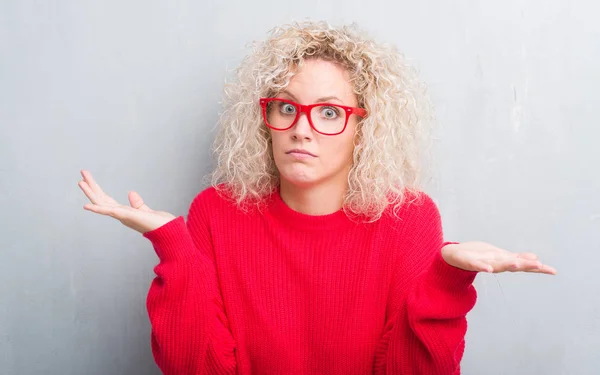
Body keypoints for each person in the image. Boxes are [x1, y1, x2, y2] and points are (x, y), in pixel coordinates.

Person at [78, 20, 556, 375]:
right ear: (264, 119)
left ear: (363, 128)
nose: (302, 129)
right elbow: (195, 368)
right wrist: (174, 245)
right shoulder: (216, 211)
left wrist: (448, 279)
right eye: (287, 107)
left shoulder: (407, 219)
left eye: (328, 112)